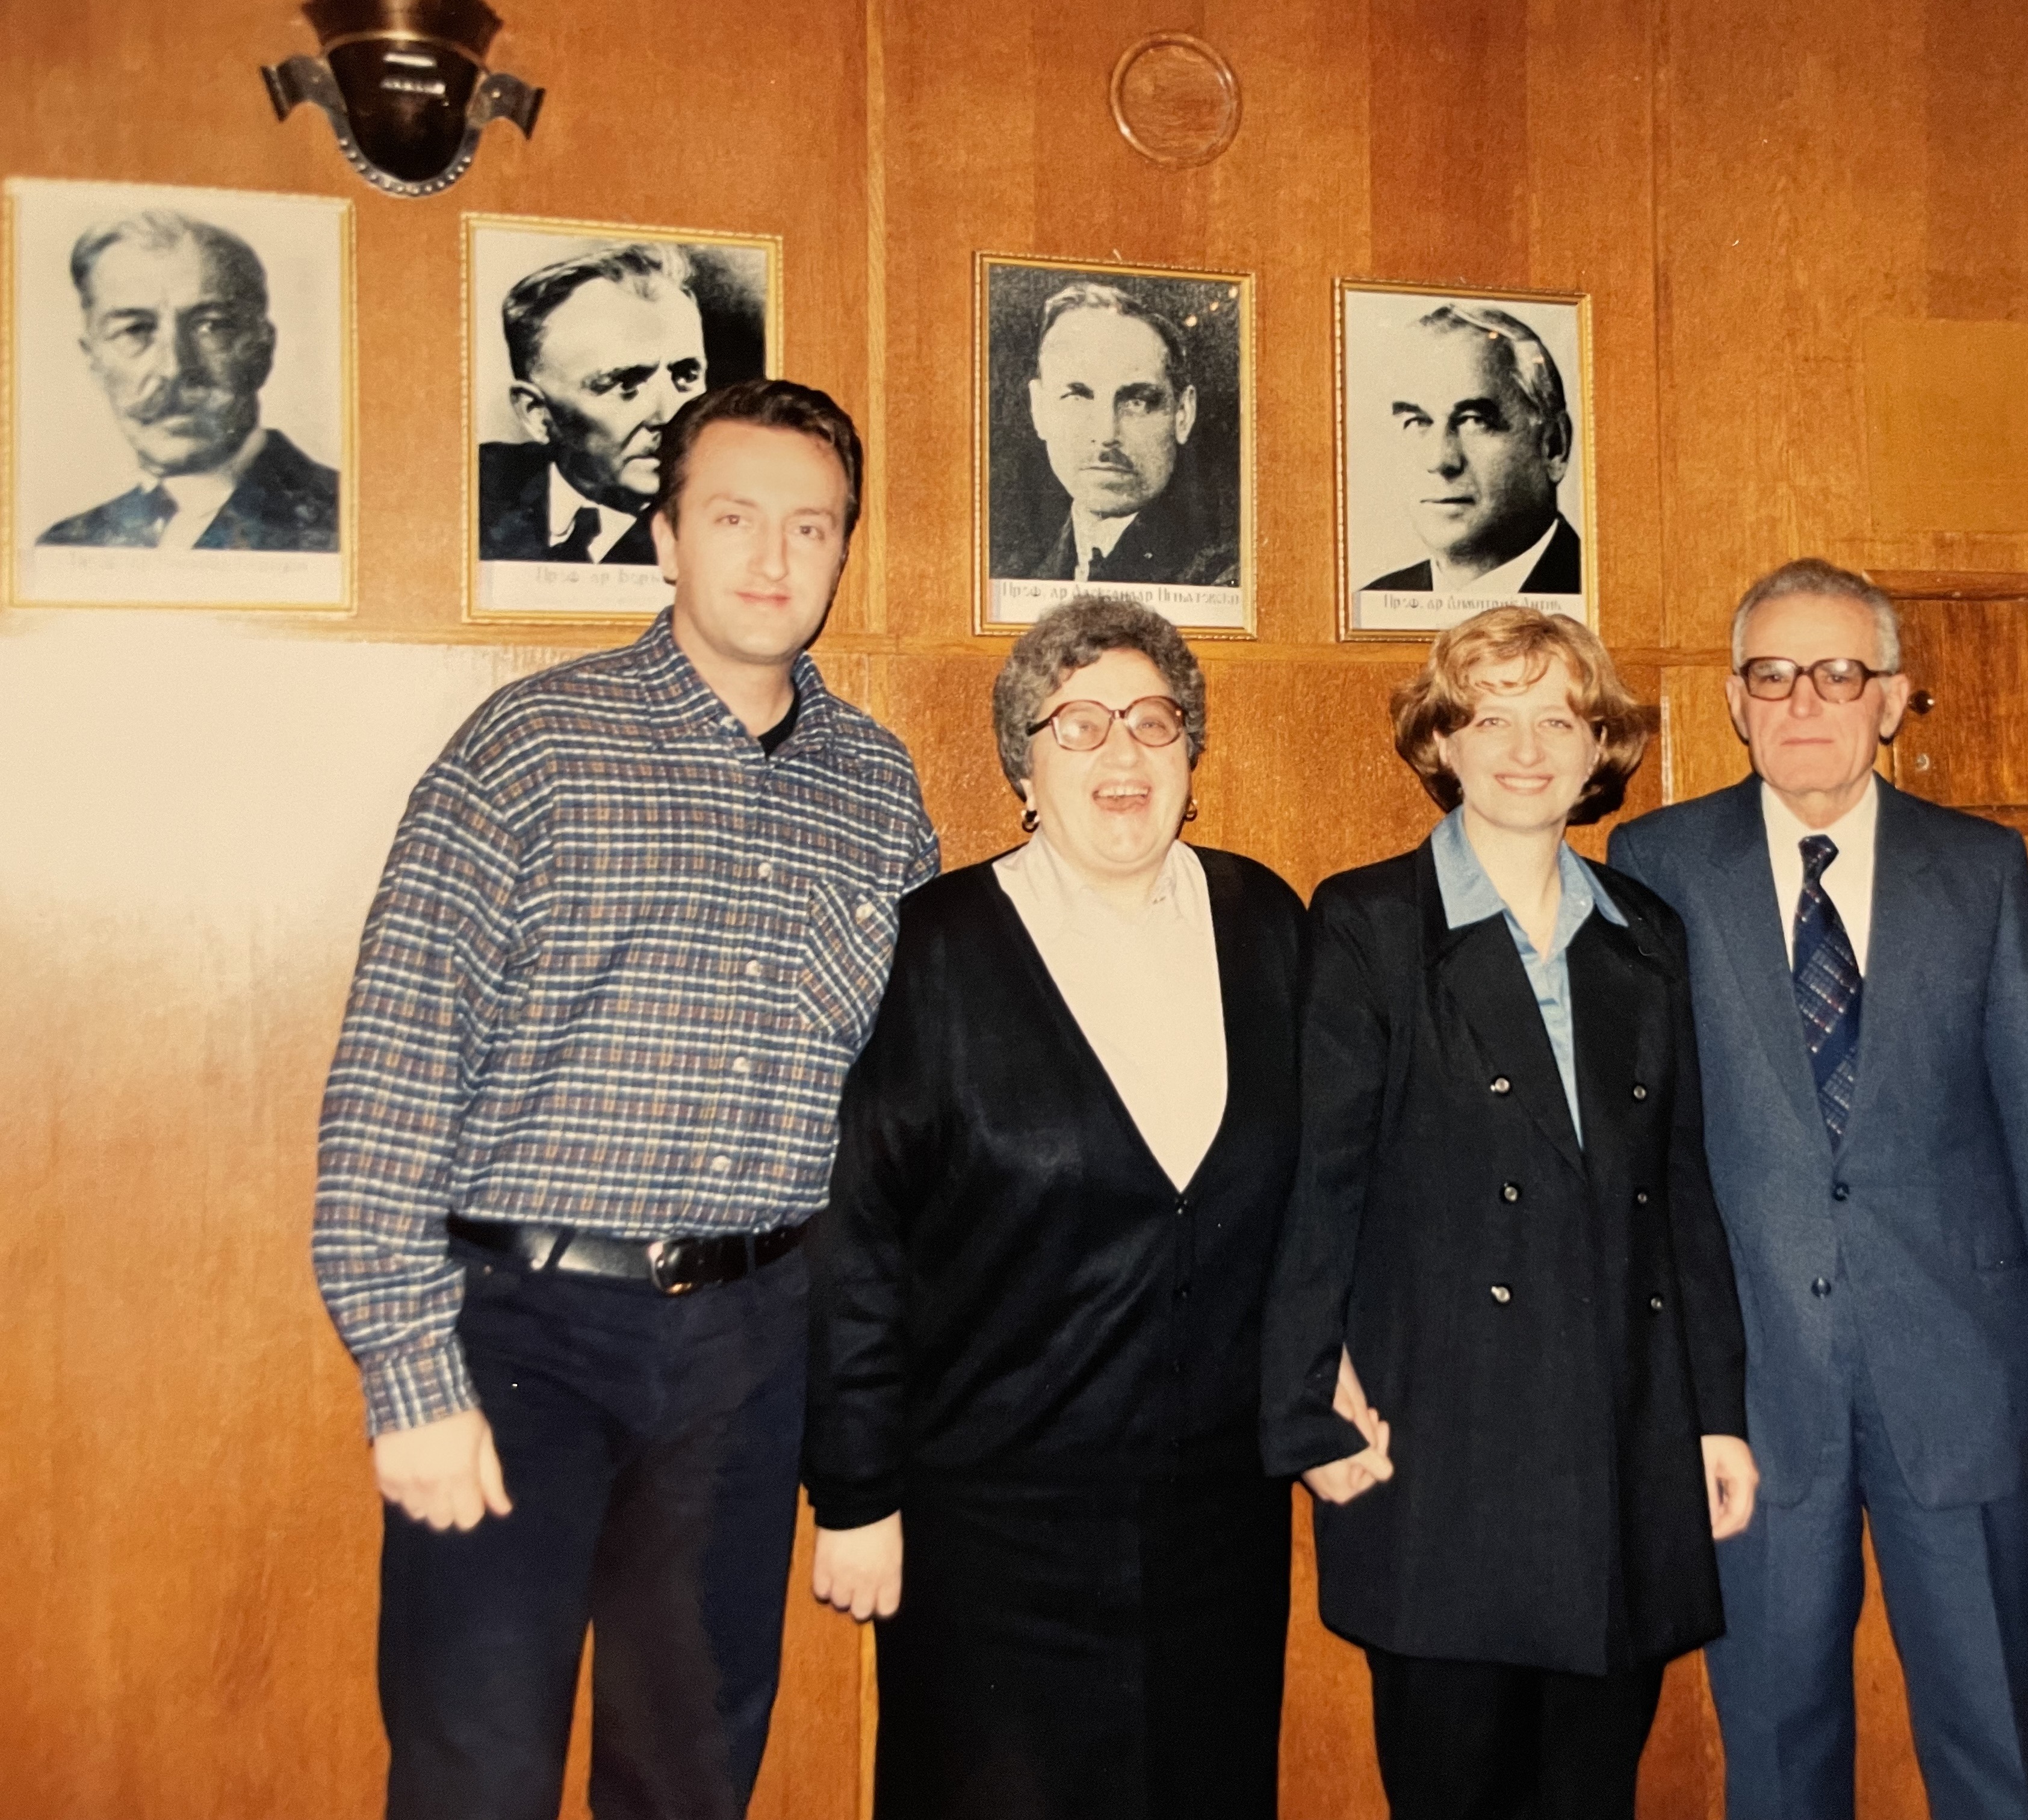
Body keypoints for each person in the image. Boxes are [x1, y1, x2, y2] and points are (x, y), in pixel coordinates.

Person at [314, 378, 936, 1820]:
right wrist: (411, 1380)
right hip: (523, 1342)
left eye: (812, 526)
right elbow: (391, 1077)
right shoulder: (528, 751)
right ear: (664, 536)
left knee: (693, 1773)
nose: (774, 558)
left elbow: (901, 1123)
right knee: (478, 1768)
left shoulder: (880, 792)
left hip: (753, 1345)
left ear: (845, 550)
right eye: (733, 517)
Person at [1607, 558, 2028, 1820]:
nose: (1804, 704)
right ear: (1734, 700)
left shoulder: (1981, 870)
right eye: (1773, 676)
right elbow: (1640, 1156)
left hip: (1968, 1389)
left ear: (1890, 699)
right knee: (1779, 1764)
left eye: (1838, 674)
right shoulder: (1655, 862)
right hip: (1755, 1401)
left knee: (1996, 1747)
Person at [803, 596, 1303, 1820]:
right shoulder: (935, 946)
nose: (1121, 754)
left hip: (1215, 1524)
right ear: (1021, 766)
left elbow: (1325, 1197)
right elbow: (859, 1244)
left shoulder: (1268, 925)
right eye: (1075, 727)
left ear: (1193, 754)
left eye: (1151, 720)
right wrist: (858, 1497)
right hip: (994, 1530)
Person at [1262, 606, 1755, 1820]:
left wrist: (1715, 1418)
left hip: (1624, 1436)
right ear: (1444, 738)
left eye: (1560, 718)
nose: (1525, 746)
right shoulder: (1370, 923)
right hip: (1439, 1442)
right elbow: (1318, 1186)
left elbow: (1677, 1191)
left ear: (1602, 747)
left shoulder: (1650, 935)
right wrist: (1305, 1406)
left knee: (1593, 1794)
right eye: (1491, 714)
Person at [41, 208, 339, 551]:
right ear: (93, 359)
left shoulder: (347, 522)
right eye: (135, 330)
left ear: (262, 348)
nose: (174, 368)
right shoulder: (66, 546)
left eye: (211, 326)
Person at [479, 243, 709, 565]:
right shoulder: (472, 490)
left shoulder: (732, 522)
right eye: (625, 383)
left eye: (685, 375)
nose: (671, 415)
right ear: (537, 414)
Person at [1009, 280, 1238, 586]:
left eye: (1136, 402)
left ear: (1183, 414)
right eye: (1078, 397)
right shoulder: (1020, 571)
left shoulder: (1226, 573)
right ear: (1039, 410)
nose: (1106, 434)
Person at [1359, 305, 1580, 597]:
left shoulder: (1607, 595)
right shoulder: (1370, 605)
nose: (1440, 460)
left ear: (1554, 447)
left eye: (1474, 421)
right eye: (1417, 422)